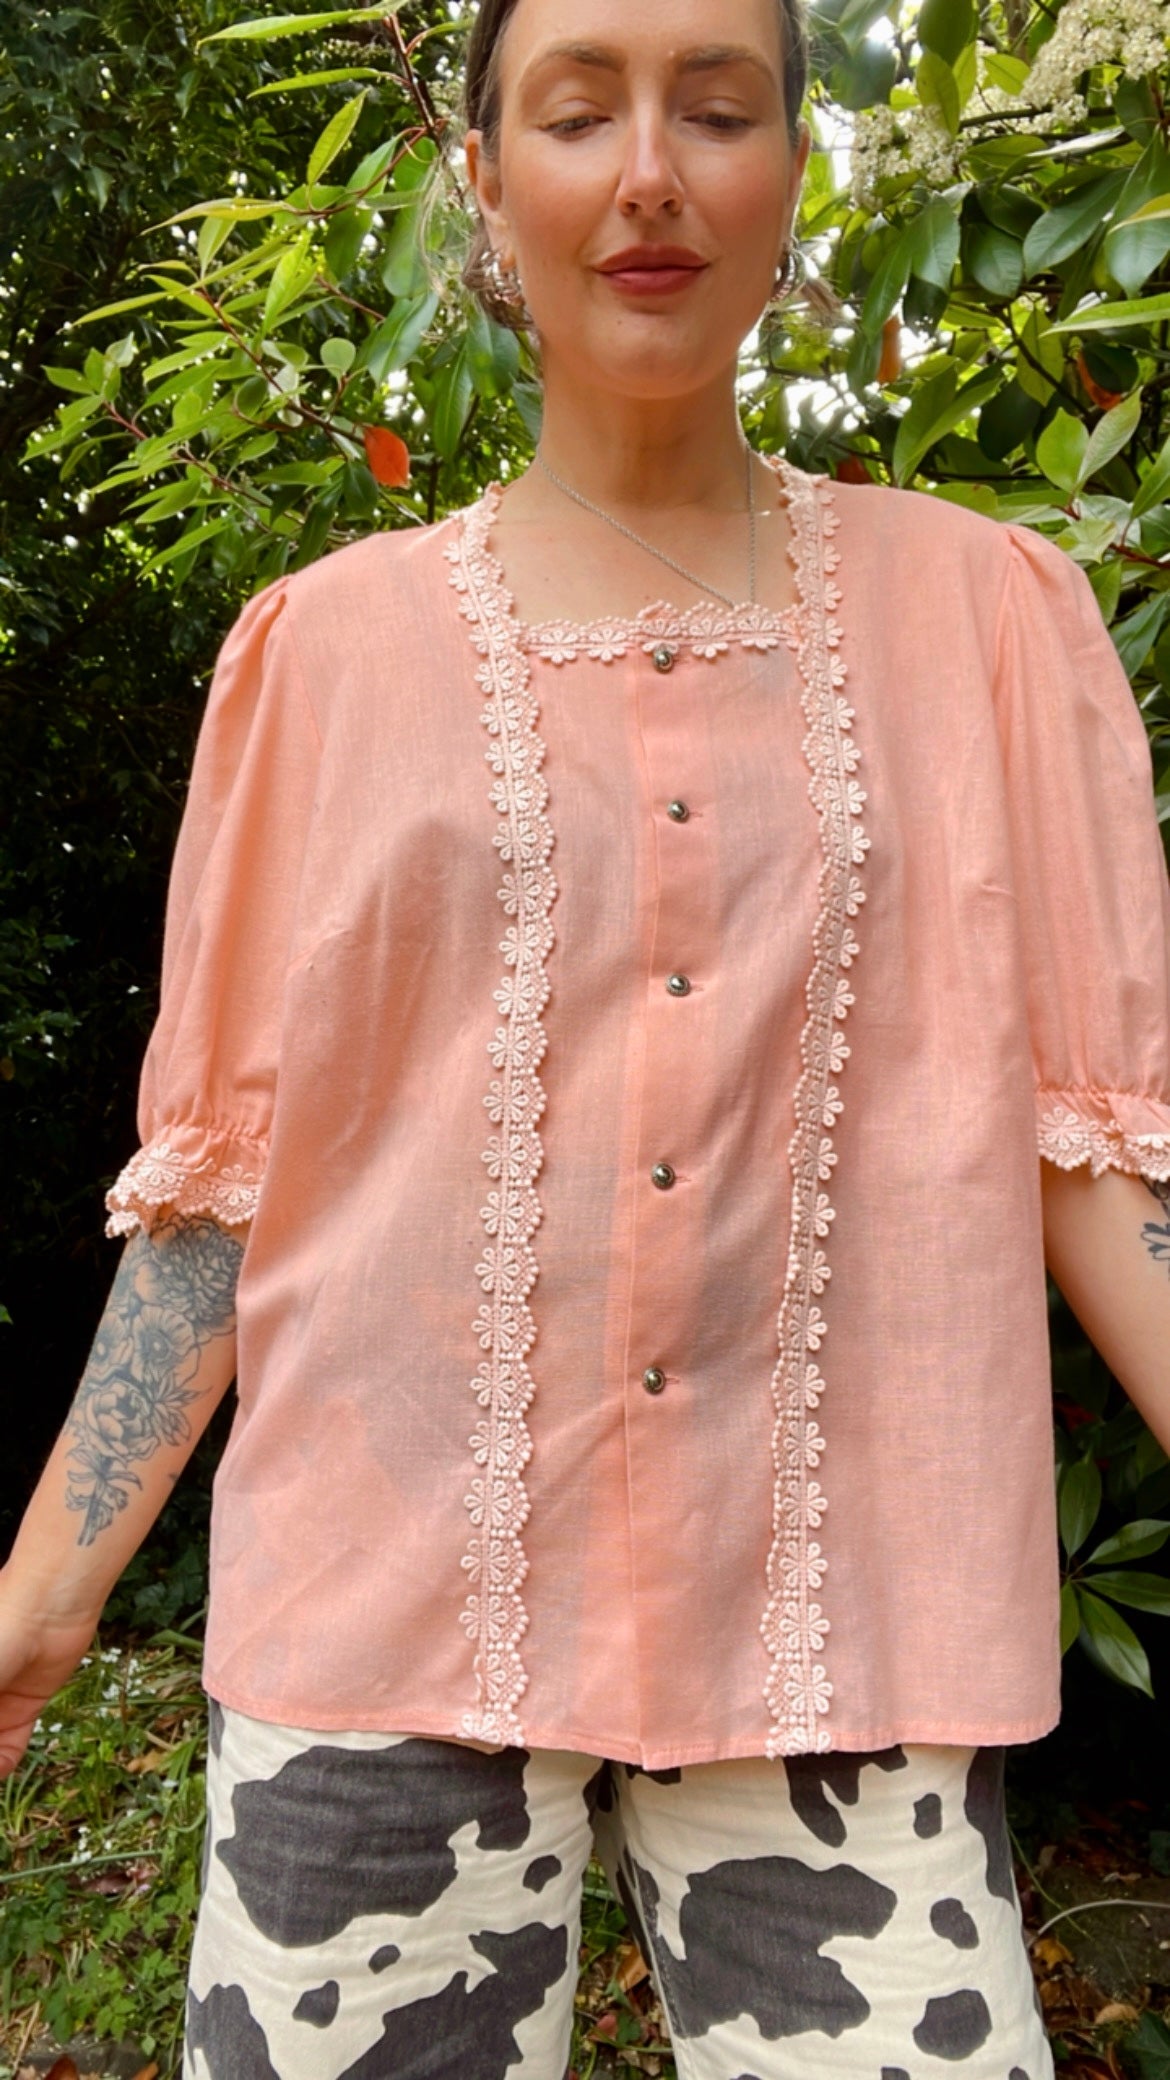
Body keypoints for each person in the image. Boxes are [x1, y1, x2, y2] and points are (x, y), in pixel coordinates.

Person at [4, 0, 1170, 2072]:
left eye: (716, 109)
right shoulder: (324, 655)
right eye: (576, 112)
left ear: (793, 169)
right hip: (381, 1622)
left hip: (844, 1630)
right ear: (484, 179)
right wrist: (48, 1581)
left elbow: (1093, 1142)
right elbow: (229, 1172)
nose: (649, 175)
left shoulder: (989, 622)